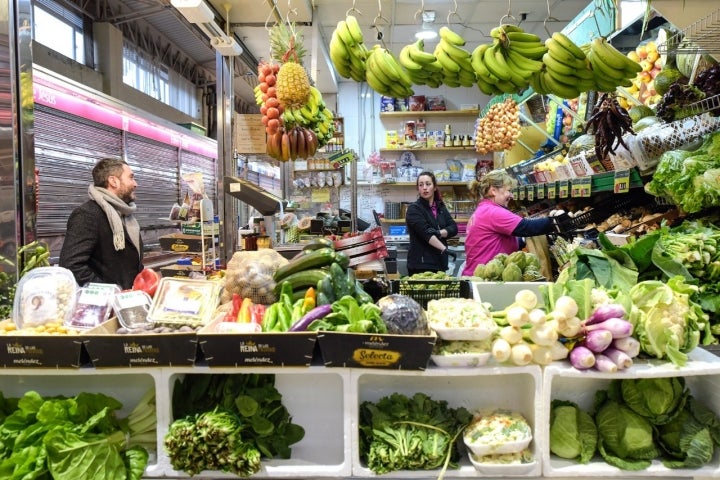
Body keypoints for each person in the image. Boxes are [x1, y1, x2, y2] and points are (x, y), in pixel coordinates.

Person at [60, 158, 143, 289]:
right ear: (113, 181)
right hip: (105, 304)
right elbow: (71, 265)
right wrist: (110, 292)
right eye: (131, 178)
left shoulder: (125, 214)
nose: (135, 184)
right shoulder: (87, 214)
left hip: (127, 300)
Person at [462, 169, 554, 276]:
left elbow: (499, 241)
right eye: (509, 191)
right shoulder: (492, 212)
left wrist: (523, 240)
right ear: (493, 190)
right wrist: (556, 221)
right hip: (484, 279)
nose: (511, 196)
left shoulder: (484, 209)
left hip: (478, 275)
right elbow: (526, 227)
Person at [405, 171, 458, 275]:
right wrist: (445, 250)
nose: (424, 187)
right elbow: (427, 234)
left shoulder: (440, 207)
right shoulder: (414, 209)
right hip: (421, 265)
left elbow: (453, 227)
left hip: (440, 263)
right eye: (421, 185)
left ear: (434, 187)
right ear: (418, 188)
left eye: (428, 184)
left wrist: (439, 233)